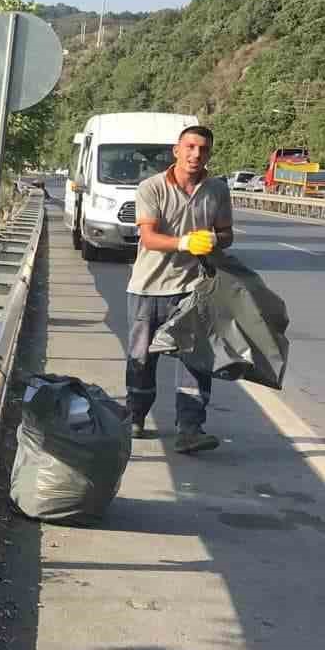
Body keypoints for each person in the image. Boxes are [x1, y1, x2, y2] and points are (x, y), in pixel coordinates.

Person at [126, 125, 233, 453]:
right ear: (176, 150)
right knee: (141, 359)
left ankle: (190, 428)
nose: (195, 154)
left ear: (209, 154)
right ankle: (135, 416)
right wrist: (185, 242)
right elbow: (148, 237)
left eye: (203, 149)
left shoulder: (217, 191)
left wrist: (215, 240)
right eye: (190, 147)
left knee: (195, 360)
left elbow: (227, 234)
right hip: (148, 288)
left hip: (192, 290)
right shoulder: (152, 187)